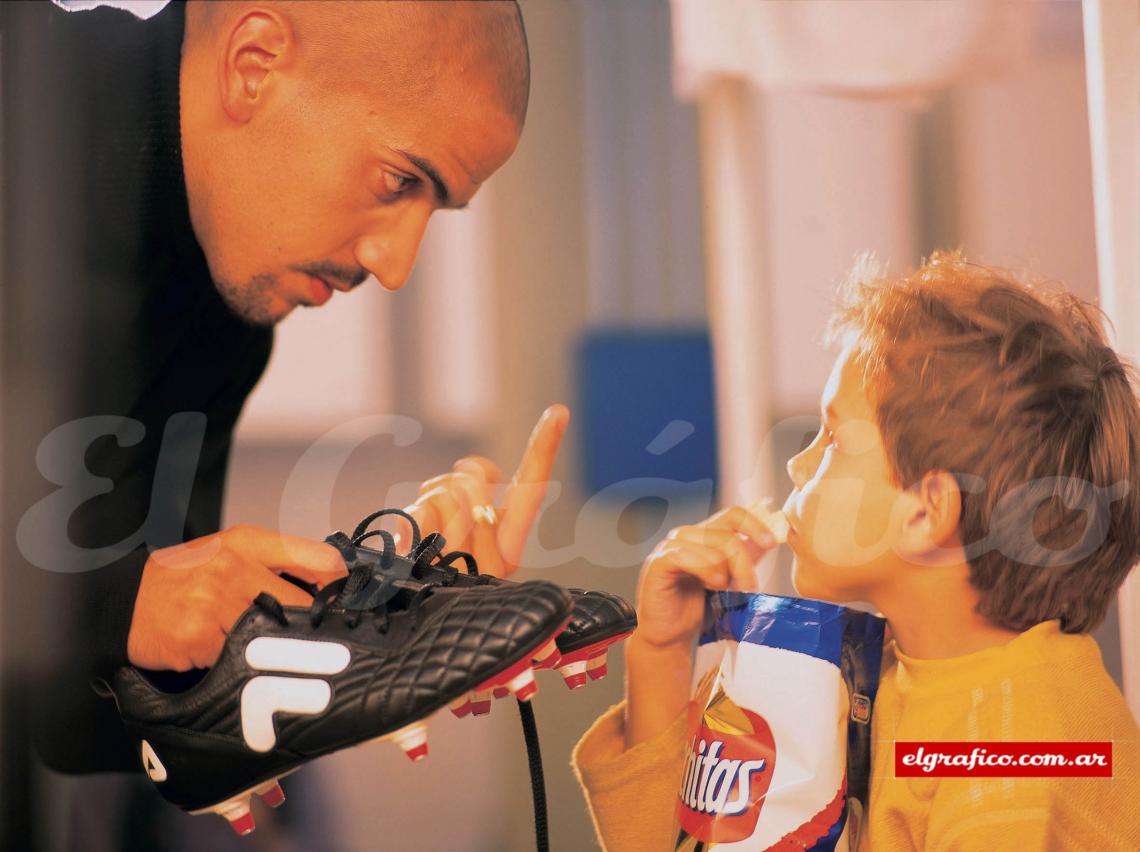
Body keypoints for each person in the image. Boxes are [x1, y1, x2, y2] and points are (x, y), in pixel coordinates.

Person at [2, 0, 553, 793]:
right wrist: (107, 603)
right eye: (401, 178)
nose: (395, 265)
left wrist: (368, 638)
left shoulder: (221, 320)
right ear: (253, 65)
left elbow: (86, 711)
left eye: (436, 209)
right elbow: (107, 611)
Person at [571, 252, 1140, 850]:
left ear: (924, 513)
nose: (798, 462)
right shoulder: (895, 673)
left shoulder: (1010, 757)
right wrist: (661, 653)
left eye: (835, 439)